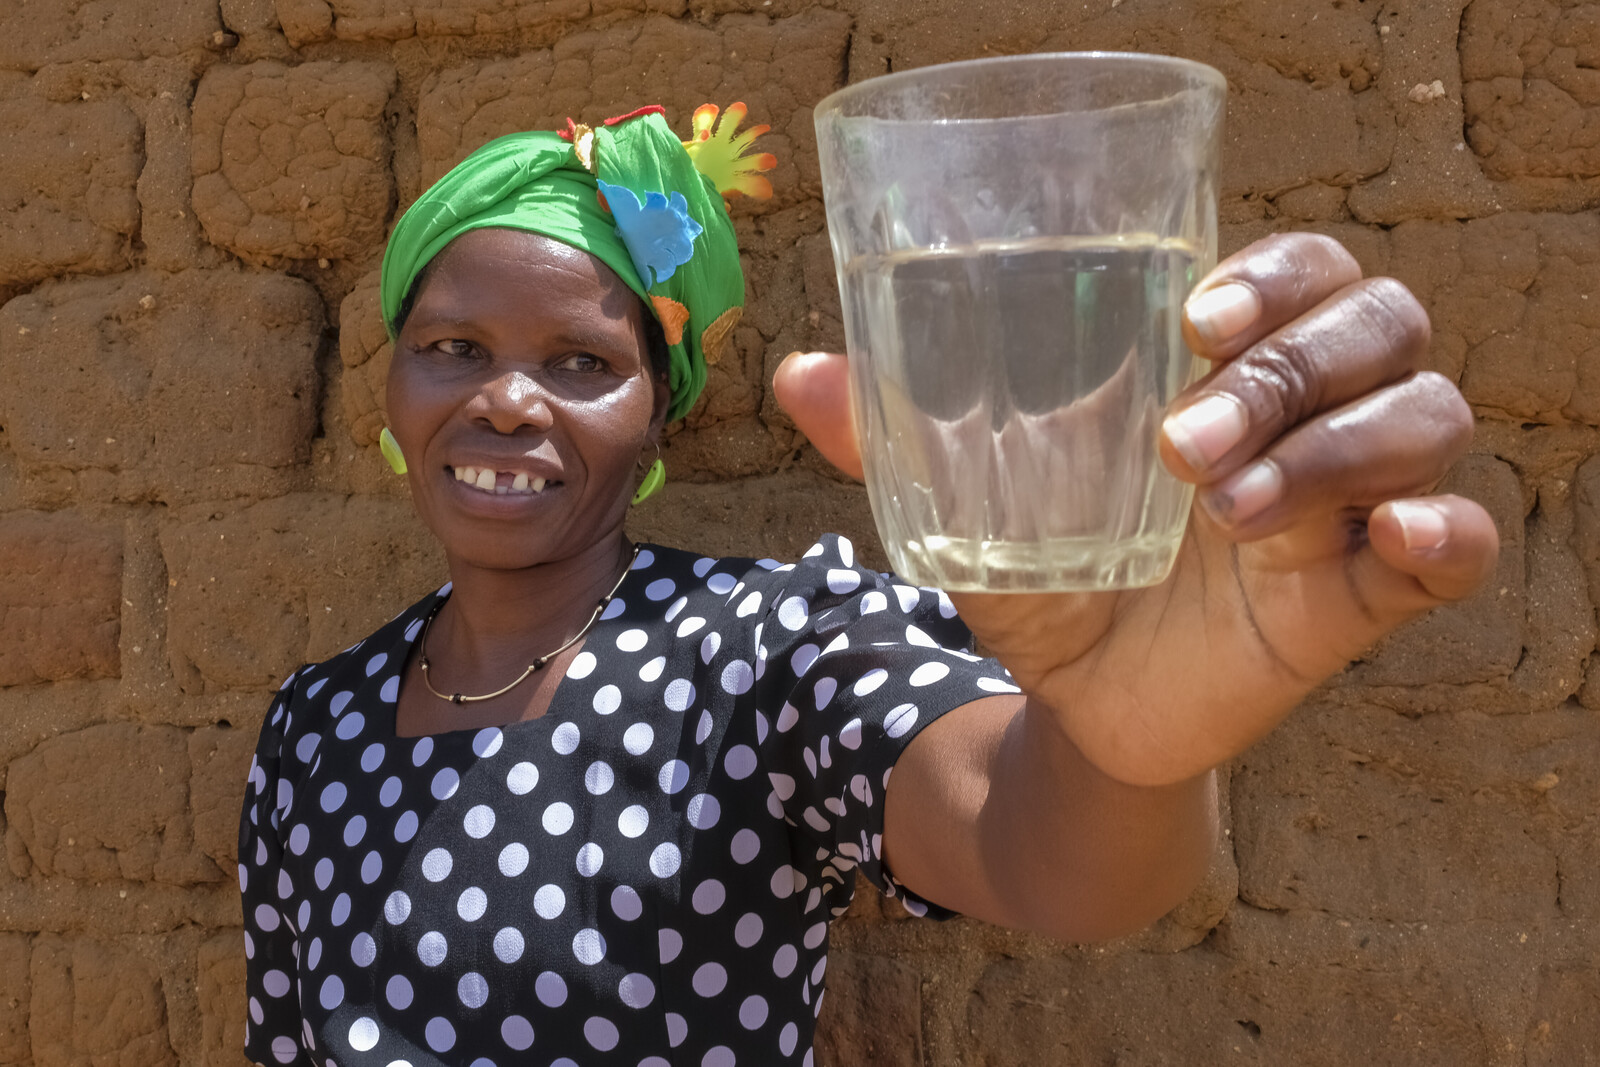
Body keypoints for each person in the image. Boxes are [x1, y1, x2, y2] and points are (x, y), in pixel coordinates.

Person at [238, 102, 1497, 1067]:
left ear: (660, 418)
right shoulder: (312, 726)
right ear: (393, 390)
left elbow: (1048, 854)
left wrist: (1122, 744)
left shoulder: (765, 651)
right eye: (451, 346)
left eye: (580, 361)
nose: (506, 398)